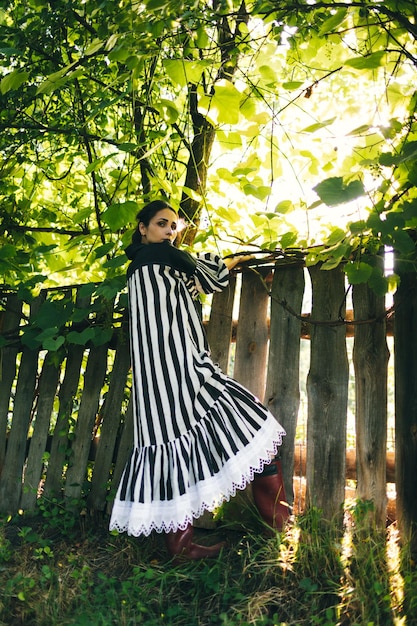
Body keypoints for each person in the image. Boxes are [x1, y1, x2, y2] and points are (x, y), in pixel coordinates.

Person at [109, 199, 289, 560]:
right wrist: (237, 259)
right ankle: (279, 525)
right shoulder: (161, 258)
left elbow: (189, 288)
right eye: (162, 224)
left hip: (158, 382)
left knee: (173, 450)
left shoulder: (143, 268)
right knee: (253, 423)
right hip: (184, 371)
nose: (170, 232)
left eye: (174, 226)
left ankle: (182, 547)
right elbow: (212, 276)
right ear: (142, 229)